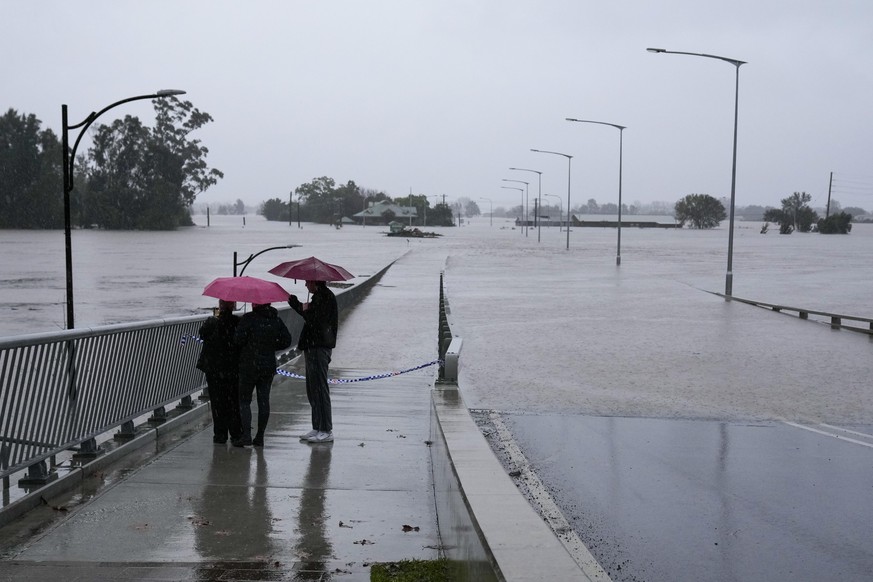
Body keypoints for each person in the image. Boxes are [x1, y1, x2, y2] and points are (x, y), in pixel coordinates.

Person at [233, 302, 293, 447]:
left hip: (249, 366)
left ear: (254, 303)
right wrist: (271, 345)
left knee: (244, 401)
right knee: (264, 400)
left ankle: (246, 435)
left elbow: (237, 340)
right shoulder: (275, 319)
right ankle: (260, 436)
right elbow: (287, 340)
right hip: (267, 366)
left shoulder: (248, 319)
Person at [288, 280, 338, 444]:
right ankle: (317, 427)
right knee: (312, 388)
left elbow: (314, 319)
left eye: (307, 282)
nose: (305, 285)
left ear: (314, 282)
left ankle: (326, 429)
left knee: (320, 387)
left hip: (319, 347)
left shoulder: (325, 297)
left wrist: (296, 305)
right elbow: (313, 317)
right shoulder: (320, 297)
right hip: (313, 347)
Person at [197, 300, 242, 444]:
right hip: (232, 369)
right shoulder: (238, 322)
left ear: (220, 306)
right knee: (233, 402)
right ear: (233, 306)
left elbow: (202, 334)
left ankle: (220, 434)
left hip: (214, 369)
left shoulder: (212, 322)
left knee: (217, 402)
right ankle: (236, 434)